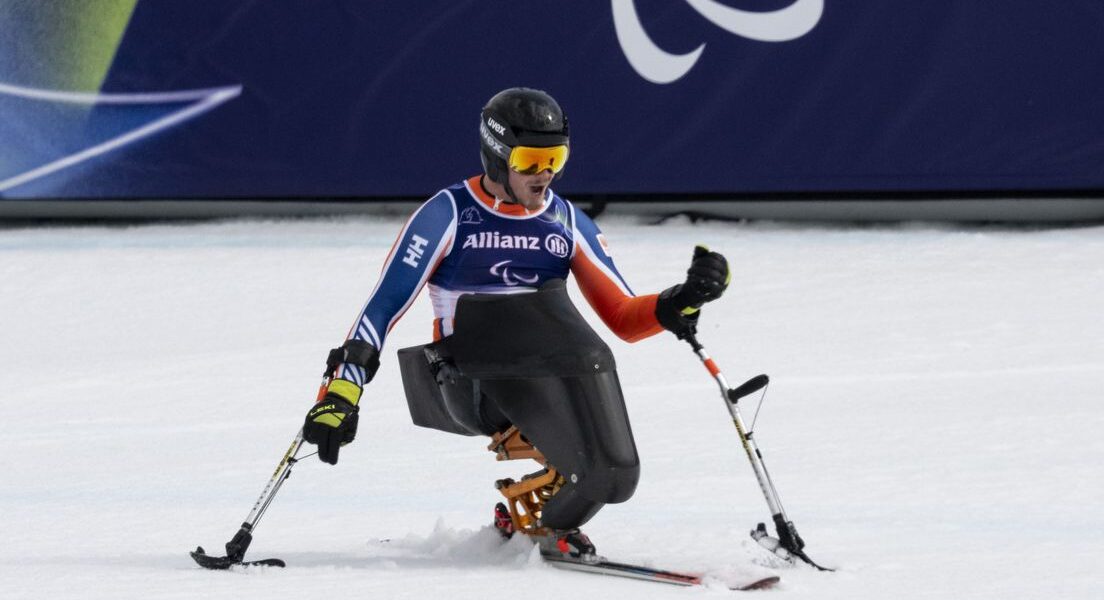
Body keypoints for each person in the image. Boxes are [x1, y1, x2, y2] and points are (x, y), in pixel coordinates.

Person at [302, 87, 729, 562]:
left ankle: (539, 521)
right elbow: (383, 307)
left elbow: (623, 318)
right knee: (550, 348)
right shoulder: (448, 213)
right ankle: (546, 521)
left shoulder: (566, 221)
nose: (543, 174)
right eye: (529, 160)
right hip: (472, 381)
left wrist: (681, 301)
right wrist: (342, 392)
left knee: (614, 476)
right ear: (496, 155)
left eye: (555, 158)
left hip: (552, 366)